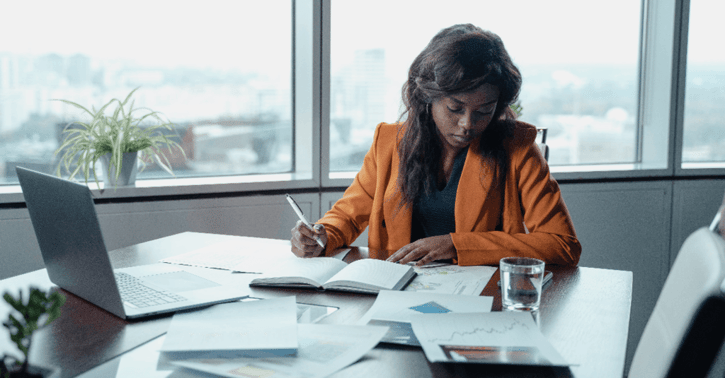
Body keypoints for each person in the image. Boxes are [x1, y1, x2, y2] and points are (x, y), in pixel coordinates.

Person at [291, 24, 582, 267]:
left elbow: (563, 245)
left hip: (480, 299)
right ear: (428, 96)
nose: (468, 123)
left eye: (485, 111)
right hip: (396, 289)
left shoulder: (517, 147)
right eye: (455, 108)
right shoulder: (389, 142)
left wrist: (457, 246)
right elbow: (347, 214)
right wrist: (322, 235)